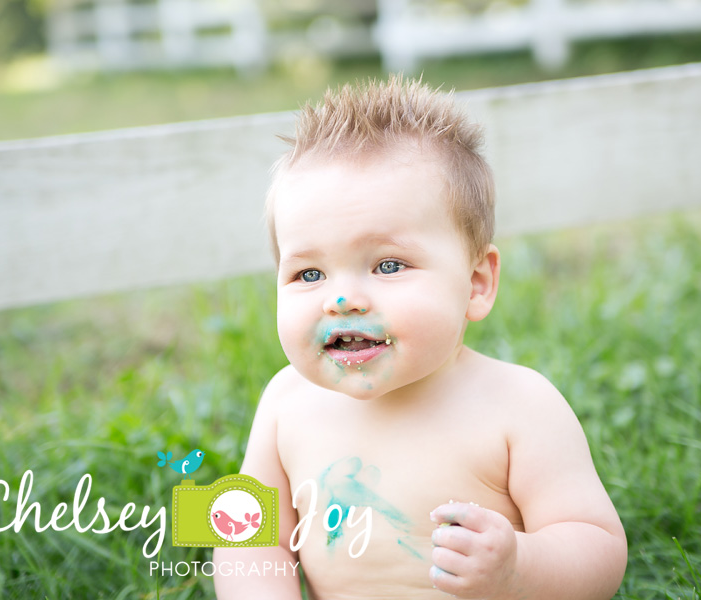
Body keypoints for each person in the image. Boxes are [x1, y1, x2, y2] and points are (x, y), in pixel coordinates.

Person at [214, 75, 627, 599]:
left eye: (387, 265)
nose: (341, 299)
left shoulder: (520, 405)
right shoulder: (284, 402)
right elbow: (242, 539)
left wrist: (518, 566)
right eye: (309, 274)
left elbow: (600, 546)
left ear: (476, 283)